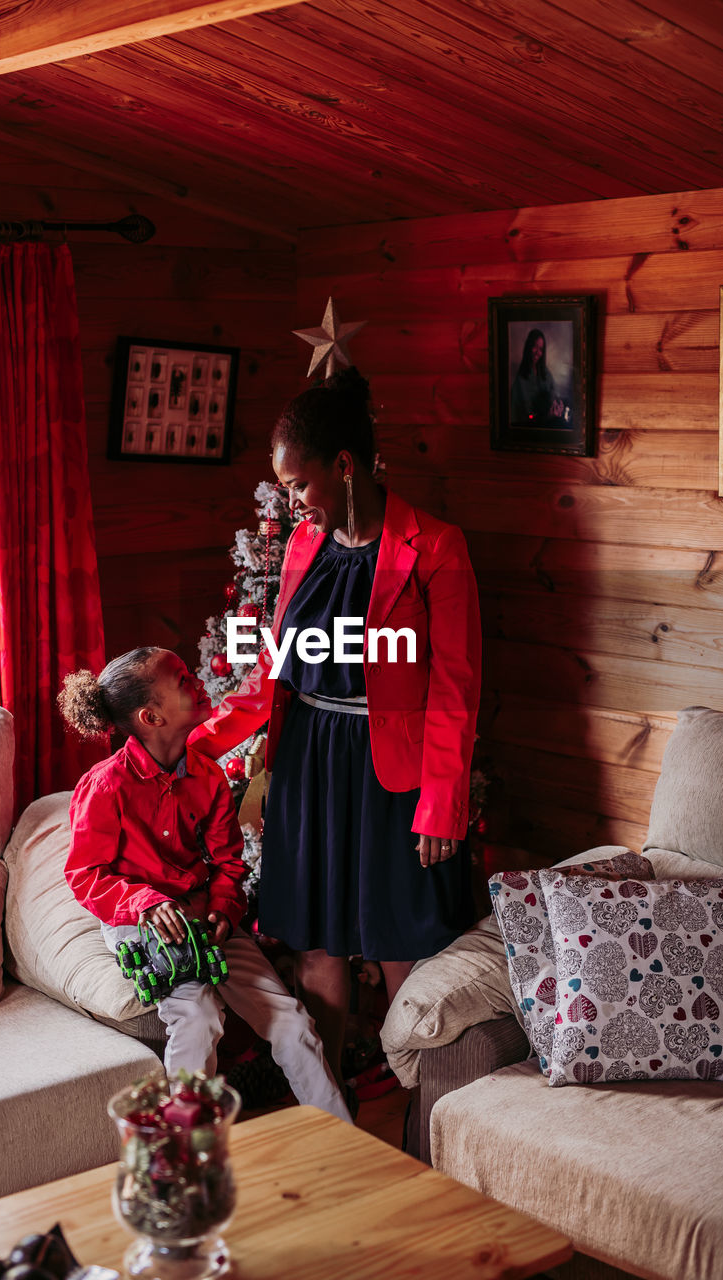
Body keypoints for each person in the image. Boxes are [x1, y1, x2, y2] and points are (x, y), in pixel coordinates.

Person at [188, 368, 481, 1087]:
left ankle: (417, 1093)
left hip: (394, 772)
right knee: (315, 940)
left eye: (297, 485)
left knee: (398, 942)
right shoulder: (299, 549)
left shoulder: (435, 547)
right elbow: (277, 671)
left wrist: (441, 800)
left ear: (342, 466)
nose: (291, 502)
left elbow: (454, 687)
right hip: (310, 765)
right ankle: (330, 1105)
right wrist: (194, 744)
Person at [59, 646, 350, 1122]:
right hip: (141, 923)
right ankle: (187, 1152)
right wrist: (147, 904)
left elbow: (229, 864)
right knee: (198, 1018)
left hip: (205, 916)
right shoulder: (105, 787)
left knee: (293, 1023)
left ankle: (346, 1143)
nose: (196, 680)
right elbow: (85, 875)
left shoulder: (208, 777)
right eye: (180, 679)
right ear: (150, 716)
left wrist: (222, 910)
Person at [510, 328, 565, 425]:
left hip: (551, 420)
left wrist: (558, 405)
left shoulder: (545, 372)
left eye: (541, 349)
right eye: (534, 346)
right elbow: (527, 416)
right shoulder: (520, 379)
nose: (537, 352)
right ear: (528, 347)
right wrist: (546, 416)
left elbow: (554, 392)